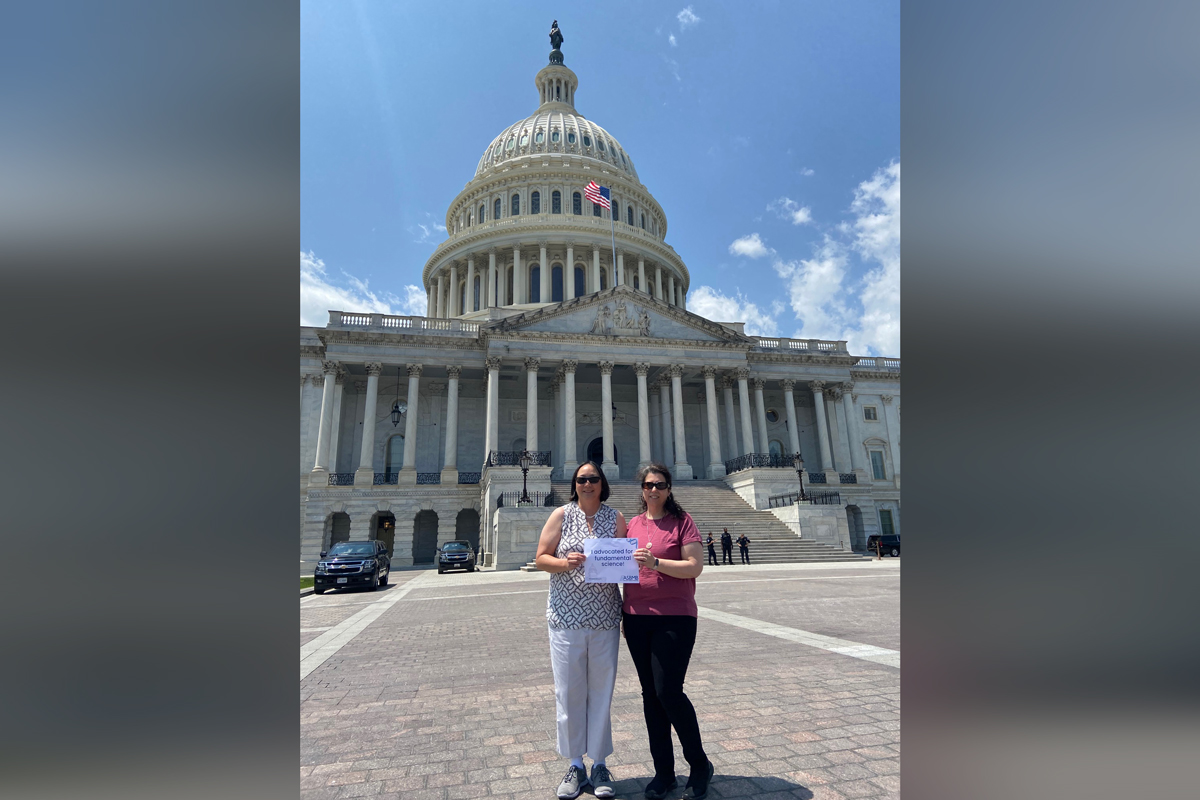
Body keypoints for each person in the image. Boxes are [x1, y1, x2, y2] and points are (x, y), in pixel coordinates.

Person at [536, 461, 627, 800]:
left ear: (602, 484)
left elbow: (624, 565)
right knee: (569, 692)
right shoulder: (560, 515)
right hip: (566, 617)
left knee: (602, 693)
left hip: (604, 617)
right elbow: (541, 557)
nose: (587, 484)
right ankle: (575, 764)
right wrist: (565, 563)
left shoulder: (615, 518)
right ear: (574, 484)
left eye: (593, 479)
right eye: (581, 479)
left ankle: (600, 763)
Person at [624, 463, 715, 800]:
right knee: (651, 696)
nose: (653, 490)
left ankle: (699, 764)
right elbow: (617, 564)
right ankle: (664, 773)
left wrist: (656, 564)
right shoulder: (632, 524)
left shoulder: (682, 522)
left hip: (675, 616)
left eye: (660, 484)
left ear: (669, 488)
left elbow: (695, 566)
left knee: (669, 692)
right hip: (636, 616)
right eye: (648, 485)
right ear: (642, 489)